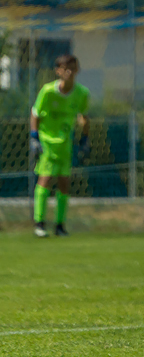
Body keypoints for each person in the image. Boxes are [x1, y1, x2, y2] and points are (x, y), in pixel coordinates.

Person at [30, 54, 90, 238]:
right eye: (65, 69)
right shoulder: (48, 91)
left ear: (77, 70)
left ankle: (60, 226)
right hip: (47, 143)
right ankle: (39, 223)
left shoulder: (82, 93)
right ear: (58, 71)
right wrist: (34, 137)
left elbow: (84, 117)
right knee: (46, 179)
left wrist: (85, 139)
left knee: (64, 183)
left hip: (65, 143)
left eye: (72, 68)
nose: (69, 72)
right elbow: (35, 113)